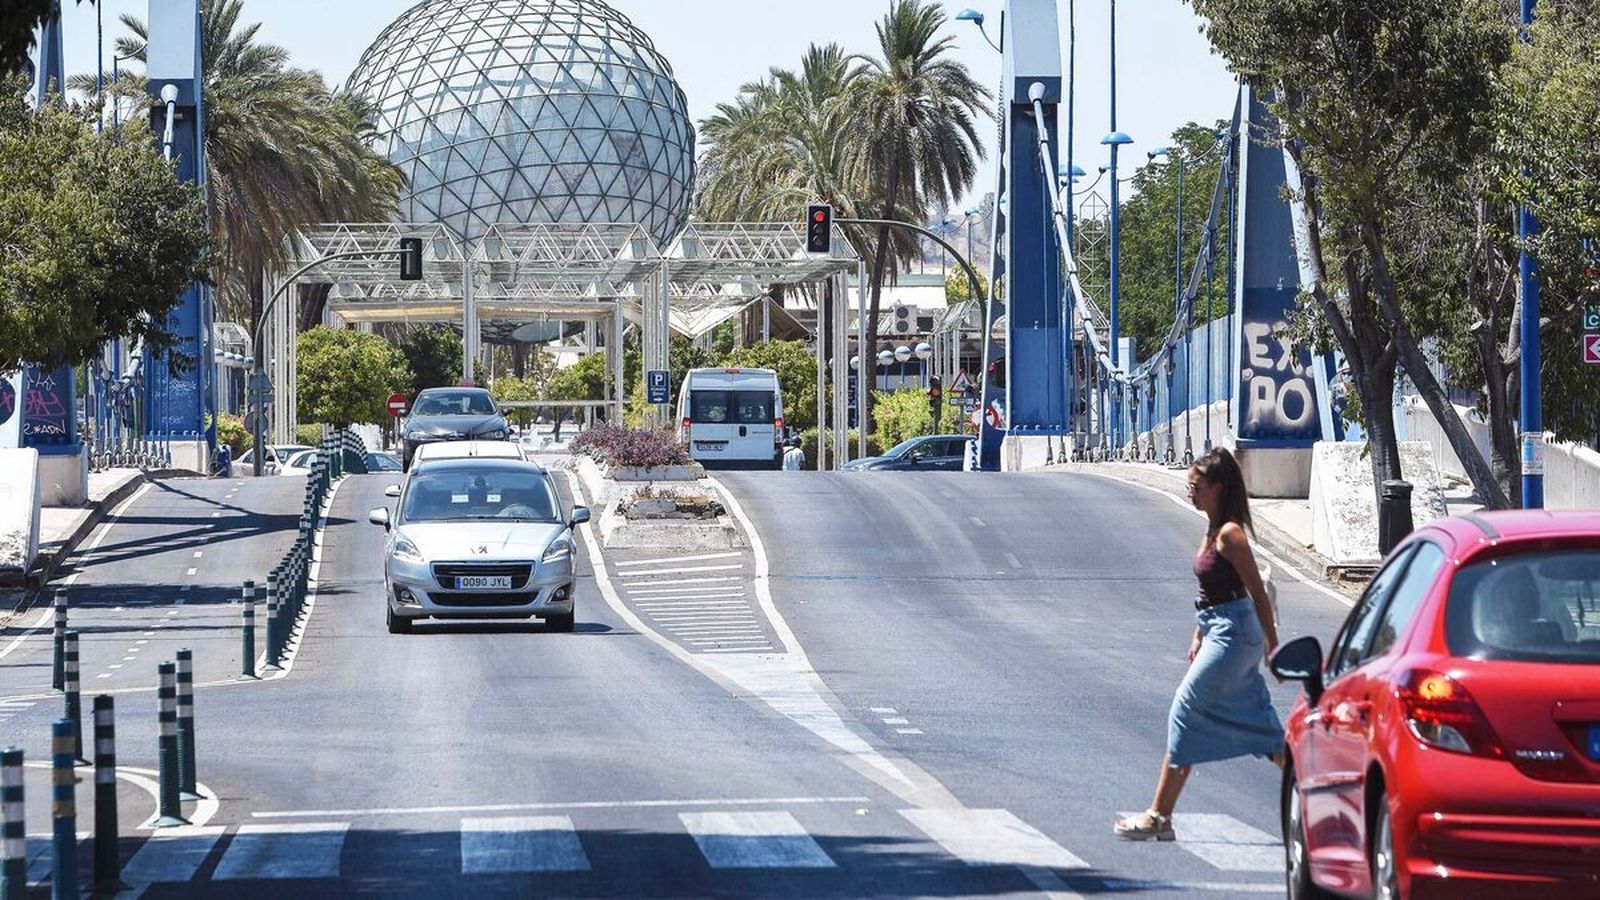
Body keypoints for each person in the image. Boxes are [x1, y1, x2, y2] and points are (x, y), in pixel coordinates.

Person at [1114, 446, 1284, 841]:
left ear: (1218, 488)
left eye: (1196, 485)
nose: (1189, 491)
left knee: (1185, 708)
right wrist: (1198, 632)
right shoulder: (1212, 528)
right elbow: (1211, 589)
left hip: (1234, 635)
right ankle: (1321, 796)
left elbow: (1256, 593)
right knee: (1260, 722)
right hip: (1220, 629)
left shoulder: (1231, 535)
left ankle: (1158, 815)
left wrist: (1274, 648)